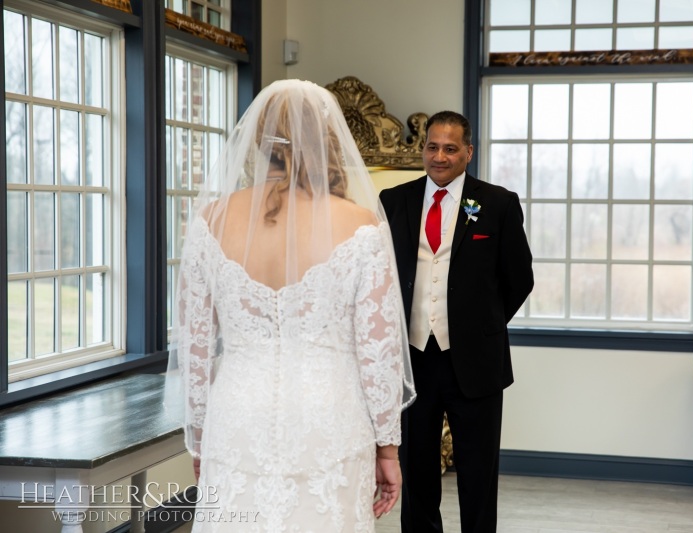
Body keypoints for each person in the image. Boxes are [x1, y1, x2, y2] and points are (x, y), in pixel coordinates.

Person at [165, 79, 416, 532]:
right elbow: (379, 354)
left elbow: (195, 347)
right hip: (330, 417)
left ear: (258, 141)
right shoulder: (360, 225)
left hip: (239, 417)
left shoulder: (211, 222)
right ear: (328, 139)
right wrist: (388, 450)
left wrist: (200, 439)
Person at [379, 110, 533, 533]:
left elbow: (520, 278)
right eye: (432, 146)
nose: (439, 156)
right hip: (412, 361)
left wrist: (481, 325)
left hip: (475, 360)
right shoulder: (393, 201)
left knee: (478, 474)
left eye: (450, 148)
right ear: (422, 149)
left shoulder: (498, 203)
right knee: (417, 471)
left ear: (468, 152)